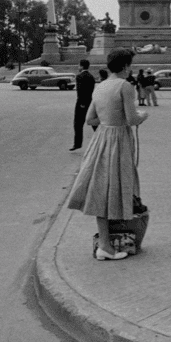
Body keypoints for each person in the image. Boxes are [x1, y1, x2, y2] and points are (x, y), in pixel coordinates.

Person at [67, 48, 148, 260]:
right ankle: (106, 245)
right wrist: (143, 115)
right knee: (116, 187)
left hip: (101, 138)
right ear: (124, 66)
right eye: (129, 65)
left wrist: (108, 120)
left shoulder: (100, 86)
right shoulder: (125, 86)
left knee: (102, 189)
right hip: (119, 140)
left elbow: (90, 119)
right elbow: (131, 119)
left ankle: (105, 242)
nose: (131, 69)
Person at [70, 60, 96, 151]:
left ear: (81, 66)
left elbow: (80, 91)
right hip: (90, 102)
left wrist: (82, 103)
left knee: (78, 123)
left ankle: (77, 143)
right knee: (93, 123)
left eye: (79, 65)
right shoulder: (91, 77)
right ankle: (102, 139)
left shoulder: (80, 76)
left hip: (82, 102)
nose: (78, 67)